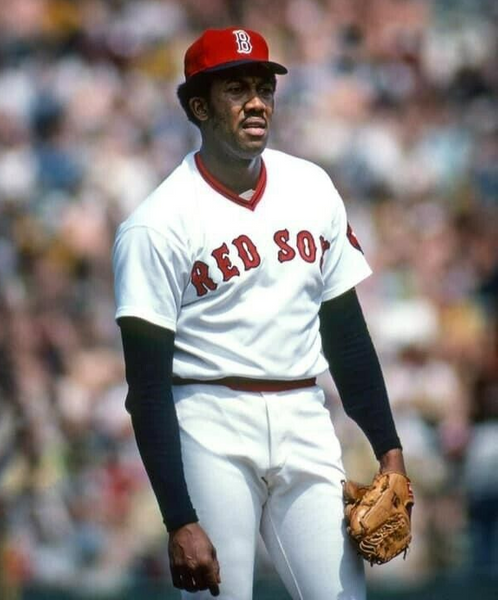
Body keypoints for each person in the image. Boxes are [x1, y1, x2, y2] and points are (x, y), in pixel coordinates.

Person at [112, 27, 408, 600]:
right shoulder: (156, 224)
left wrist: (388, 449)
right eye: (236, 89)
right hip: (209, 421)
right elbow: (145, 389)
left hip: (304, 415)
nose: (256, 102)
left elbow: (346, 336)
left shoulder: (311, 187)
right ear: (199, 107)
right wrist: (178, 519)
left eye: (264, 88)